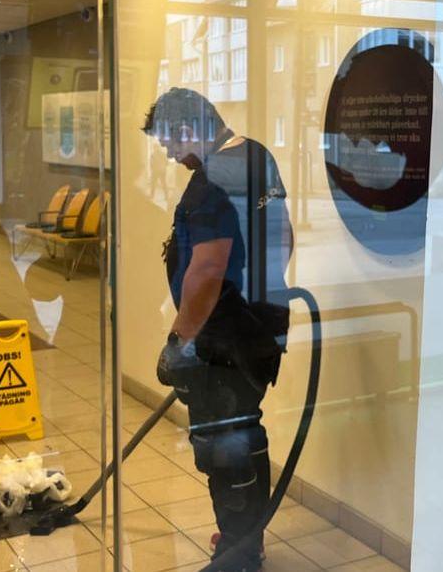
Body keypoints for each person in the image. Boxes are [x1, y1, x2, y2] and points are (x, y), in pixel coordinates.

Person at [143, 87, 293, 572]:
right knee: (245, 432)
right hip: (259, 329)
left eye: (169, 143)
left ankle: (239, 555)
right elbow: (284, 238)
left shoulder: (211, 183)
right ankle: (244, 537)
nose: (169, 155)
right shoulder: (256, 155)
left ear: (189, 129)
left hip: (224, 340)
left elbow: (207, 271)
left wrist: (179, 344)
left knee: (221, 445)